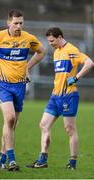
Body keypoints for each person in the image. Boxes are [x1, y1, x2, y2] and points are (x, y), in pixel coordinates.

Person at [0, 9, 45, 171]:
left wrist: (28, 66)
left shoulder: (28, 38)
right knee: (10, 117)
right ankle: (12, 160)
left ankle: (2, 157)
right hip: (3, 84)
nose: (18, 26)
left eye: (21, 23)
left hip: (20, 85)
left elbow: (41, 51)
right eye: (15, 23)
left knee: (11, 124)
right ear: (8, 23)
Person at [26, 27, 94, 170]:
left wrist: (76, 78)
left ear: (60, 37)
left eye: (52, 41)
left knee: (69, 129)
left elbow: (89, 63)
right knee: (44, 125)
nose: (50, 44)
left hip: (68, 96)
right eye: (49, 41)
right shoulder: (56, 52)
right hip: (55, 96)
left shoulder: (71, 50)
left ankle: (72, 163)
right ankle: (42, 159)